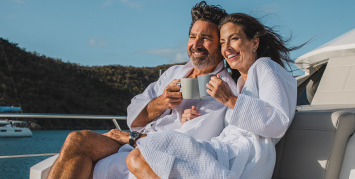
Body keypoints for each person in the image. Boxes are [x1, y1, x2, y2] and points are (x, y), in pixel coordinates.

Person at [47, 2, 236, 179]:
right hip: (131, 143)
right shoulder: (174, 73)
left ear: (220, 45)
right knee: (77, 139)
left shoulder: (221, 90)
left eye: (206, 38)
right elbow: (133, 117)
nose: (196, 44)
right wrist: (161, 102)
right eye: (193, 37)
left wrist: (128, 136)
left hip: (149, 154)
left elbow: (188, 148)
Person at [125, 13, 300, 179]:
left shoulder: (265, 67)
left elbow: (279, 122)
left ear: (254, 42)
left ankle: (130, 140)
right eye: (223, 42)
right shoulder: (242, 83)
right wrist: (188, 121)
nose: (227, 48)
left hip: (244, 157)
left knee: (141, 157)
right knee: (139, 158)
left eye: (234, 38)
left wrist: (230, 100)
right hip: (225, 151)